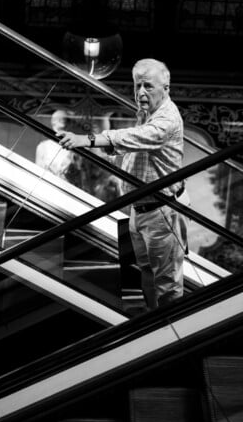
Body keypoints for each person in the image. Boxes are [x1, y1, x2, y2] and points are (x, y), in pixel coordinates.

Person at [58, 58, 188, 310]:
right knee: (146, 272)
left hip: (161, 212)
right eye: (137, 85)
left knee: (168, 286)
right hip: (140, 210)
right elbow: (134, 146)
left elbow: (135, 137)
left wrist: (87, 139)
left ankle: (172, 335)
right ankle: (152, 320)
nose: (140, 93)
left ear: (166, 88)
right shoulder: (148, 111)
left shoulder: (167, 120)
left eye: (148, 86)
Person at [35, 109, 75, 178]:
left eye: (63, 120)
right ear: (53, 122)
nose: (60, 122)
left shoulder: (74, 148)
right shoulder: (43, 147)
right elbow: (38, 172)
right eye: (56, 120)